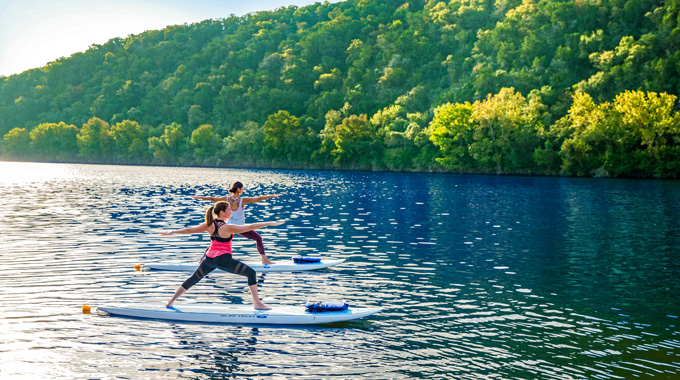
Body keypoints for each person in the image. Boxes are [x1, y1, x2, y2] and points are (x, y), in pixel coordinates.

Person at [160, 201, 284, 310]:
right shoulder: (227, 227)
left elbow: (189, 230)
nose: (231, 212)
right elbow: (250, 227)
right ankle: (257, 303)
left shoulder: (208, 224)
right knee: (251, 273)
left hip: (209, 259)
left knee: (193, 279)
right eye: (229, 210)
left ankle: (170, 302)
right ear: (222, 212)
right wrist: (268, 223)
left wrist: (172, 232)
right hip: (223, 259)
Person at [191, 181, 281, 265]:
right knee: (258, 238)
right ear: (238, 189)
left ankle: (202, 259)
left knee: (216, 241)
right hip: (239, 227)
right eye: (242, 188)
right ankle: (264, 259)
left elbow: (212, 199)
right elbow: (259, 198)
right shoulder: (243, 200)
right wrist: (272, 195)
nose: (242, 190)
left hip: (227, 227)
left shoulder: (226, 199)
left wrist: (198, 197)